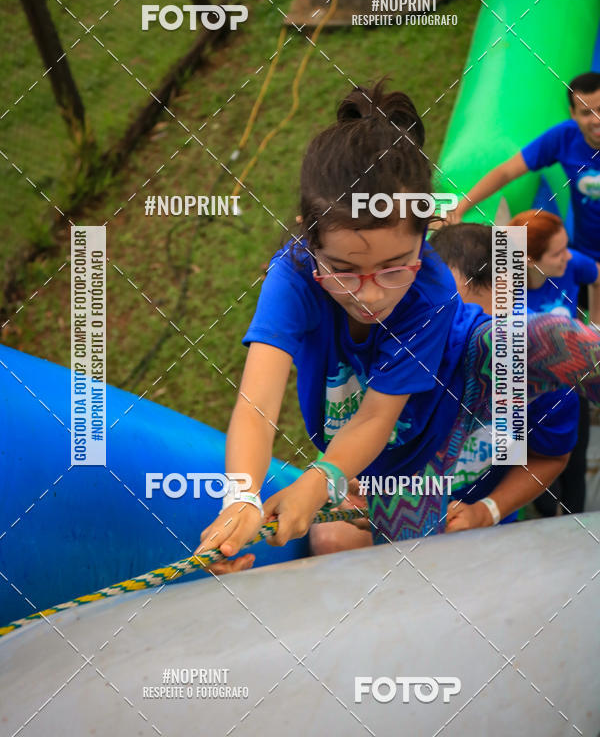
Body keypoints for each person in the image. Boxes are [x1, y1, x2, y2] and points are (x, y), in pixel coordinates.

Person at [195, 81, 600, 572]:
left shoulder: (432, 287)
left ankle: (567, 351)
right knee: (414, 561)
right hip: (394, 470)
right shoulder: (294, 274)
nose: (369, 294)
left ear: (425, 235)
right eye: (344, 270)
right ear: (309, 234)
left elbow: (375, 418)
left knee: (526, 347)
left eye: (394, 267)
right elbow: (257, 404)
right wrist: (241, 497)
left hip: (449, 399)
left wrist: (321, 476)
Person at [429, 222, 579, 526]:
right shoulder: (389, 344)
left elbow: (550, 457)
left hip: (484, 532)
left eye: (489, 327)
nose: (472, 342)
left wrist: (487, 511)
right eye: (453, 320)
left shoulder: (541, 365)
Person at [451, 72, 600, 269]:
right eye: (586, 113)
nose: (596, 119)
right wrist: (461, 207)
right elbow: (506, 172)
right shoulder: (565, 138)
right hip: (587, 252)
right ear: (573, 114)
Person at [510, 209, 600, 515]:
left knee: (575, 466)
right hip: (525, 402)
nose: (568, 257)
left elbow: (597, 276)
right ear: (530, 261)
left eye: (566, 247)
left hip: (572, 391)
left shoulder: (572, 266)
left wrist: (595, 327)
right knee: (536, 477)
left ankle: (575, 530)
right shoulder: (501, 289)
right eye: (558, 252)